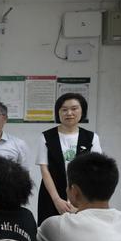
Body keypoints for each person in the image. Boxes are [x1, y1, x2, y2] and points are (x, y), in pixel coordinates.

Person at [36, 93, 102, 225]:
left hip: (83, 197)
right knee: (50, 231)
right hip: (52, 195)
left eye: (74, 108)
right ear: (58, 112)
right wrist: (56, 200)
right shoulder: (46, 137)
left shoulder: (91, 138)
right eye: (64, 109)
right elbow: (45, 170)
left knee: (81, 231)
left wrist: (84, 202)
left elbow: (95, 171)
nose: (69, 113)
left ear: (82, 111)